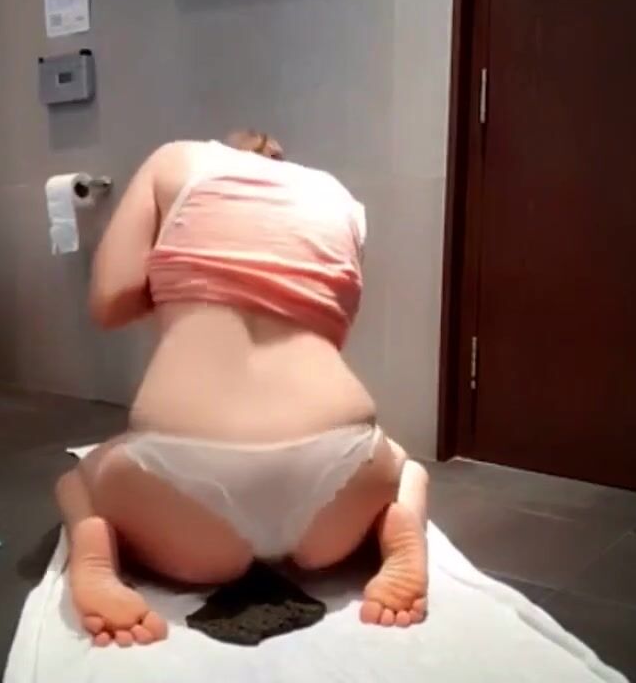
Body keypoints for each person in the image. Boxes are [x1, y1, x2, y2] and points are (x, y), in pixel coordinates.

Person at [54, 131, 430, 648]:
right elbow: (332, 325)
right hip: (341, 479)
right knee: (408, 470)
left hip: (178, 491)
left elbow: (110, 301)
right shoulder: (338, 198)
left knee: (77, 481)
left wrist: (179, 289)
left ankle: (94, 548)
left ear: (229, 146)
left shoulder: (173, 160)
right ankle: (397, 526)